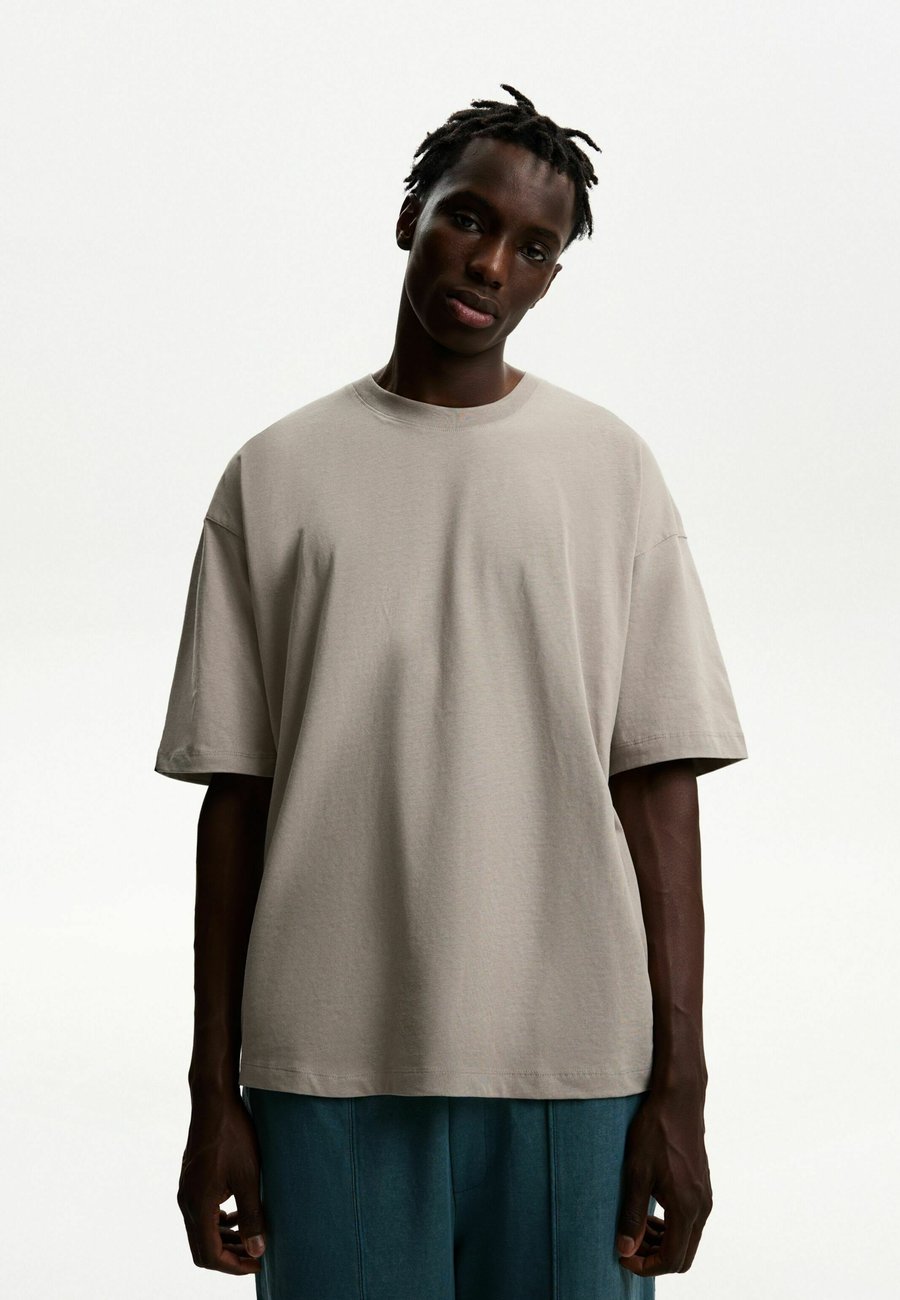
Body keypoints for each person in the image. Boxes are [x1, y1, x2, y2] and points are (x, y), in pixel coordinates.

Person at [155, 84, 748, 1297]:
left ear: (550, 280)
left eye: (534, 247)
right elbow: (237, 801)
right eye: (468, 218)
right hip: (325, 1066)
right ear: (409, 219)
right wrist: (214, 1092)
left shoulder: (610, 470)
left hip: (577, 1066)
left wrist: (682, 1092)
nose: (490, 263)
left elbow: (659, 786)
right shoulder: (273, 477)